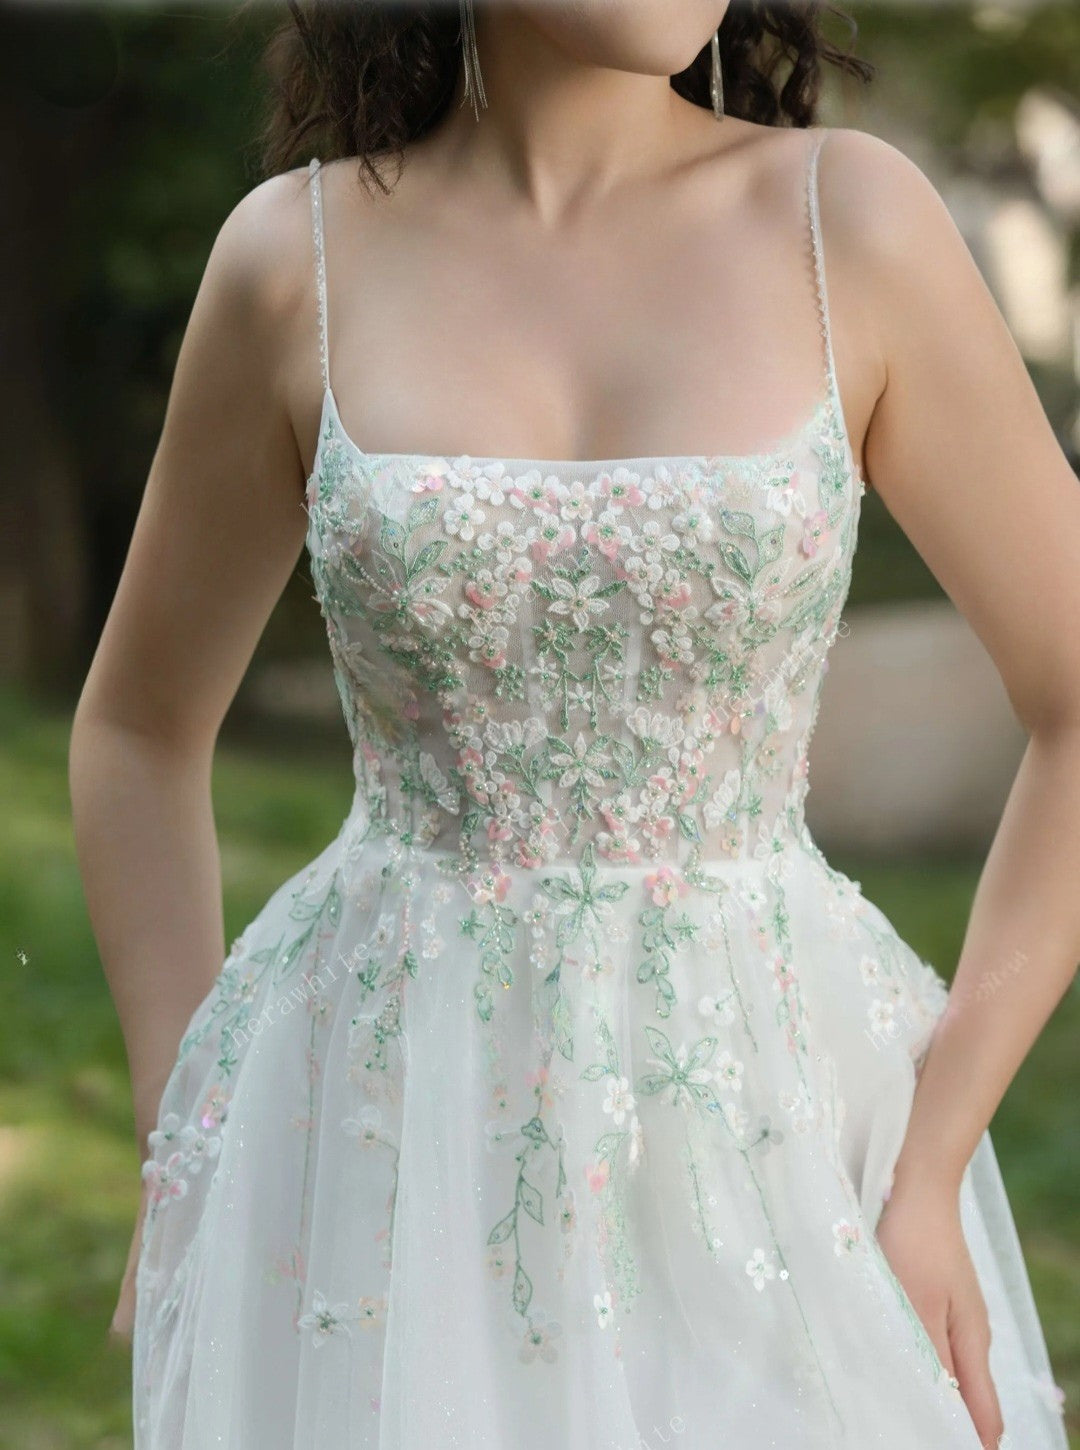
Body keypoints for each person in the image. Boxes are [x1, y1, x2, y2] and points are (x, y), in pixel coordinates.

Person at [68, 3, 1077, 1447]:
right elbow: (137, 729)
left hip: (784, 1140)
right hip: (378, 1138)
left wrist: (931, 1165)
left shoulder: (848, 225)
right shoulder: (295, 263)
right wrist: (190, 1150)